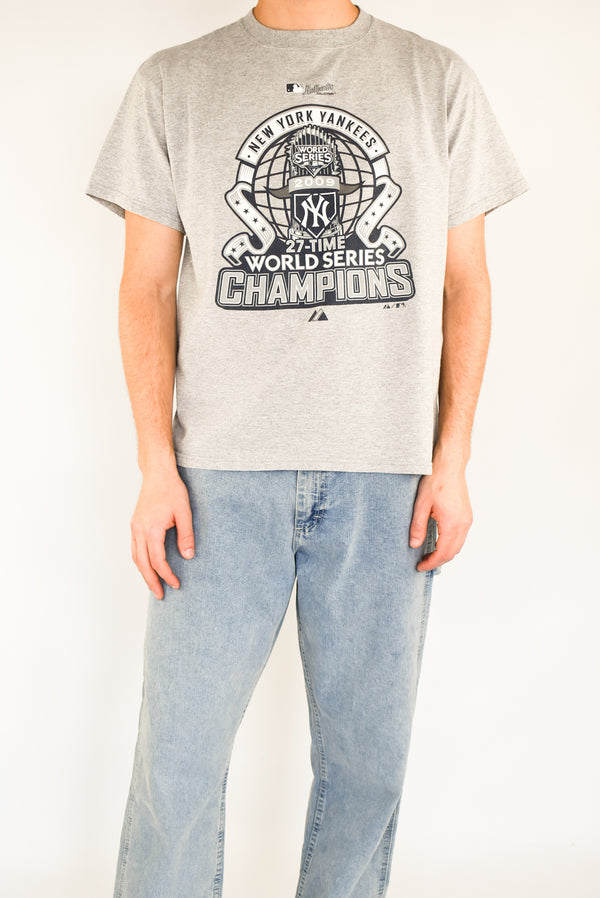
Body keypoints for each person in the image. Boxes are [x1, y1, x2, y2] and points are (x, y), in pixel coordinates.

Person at [85, 2, 529, 896]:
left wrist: (452, 462)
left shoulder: (436, 78)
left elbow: (467, 285)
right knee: (177, 763)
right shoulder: (174, 81)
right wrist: (154, 467)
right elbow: (145, 288)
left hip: (388, 478)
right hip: (213, 482)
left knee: (369, 767)